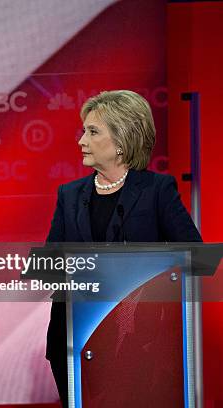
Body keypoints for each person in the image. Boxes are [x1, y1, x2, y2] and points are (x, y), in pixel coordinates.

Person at [45, 90, 201, 407]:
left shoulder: (157, 190)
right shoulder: (70, 194)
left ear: (121, 141)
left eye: (92, 131)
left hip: (139, 339)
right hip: (75, 336)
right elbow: (49, 263)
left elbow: (196, 257)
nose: (81, 141)